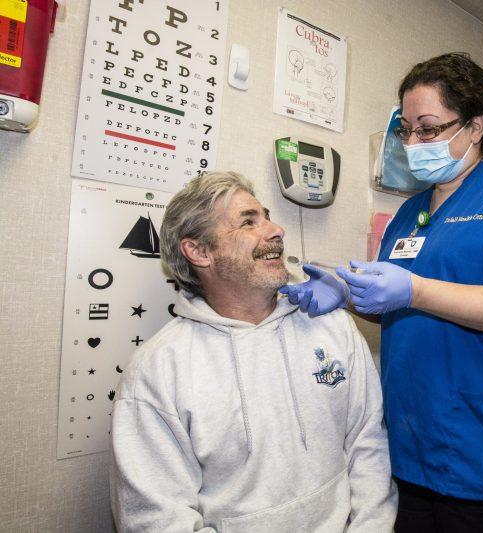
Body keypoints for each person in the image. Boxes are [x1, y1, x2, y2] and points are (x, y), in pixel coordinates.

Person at [281, 53, 483, 532]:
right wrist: (349, 294)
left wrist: (416, 289)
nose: (413, 143)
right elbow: (393, 304)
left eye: (429, 128)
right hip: (407, 444)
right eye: (406, 130)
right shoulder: (410, 211)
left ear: (476, 126)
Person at [109, 171, 397, 532]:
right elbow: (156, 518)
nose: (277, 230)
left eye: (266, 215)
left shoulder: (331, 326)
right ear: (199, 251)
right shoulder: (159, 369)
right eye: (248, 221)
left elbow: (368, 444)